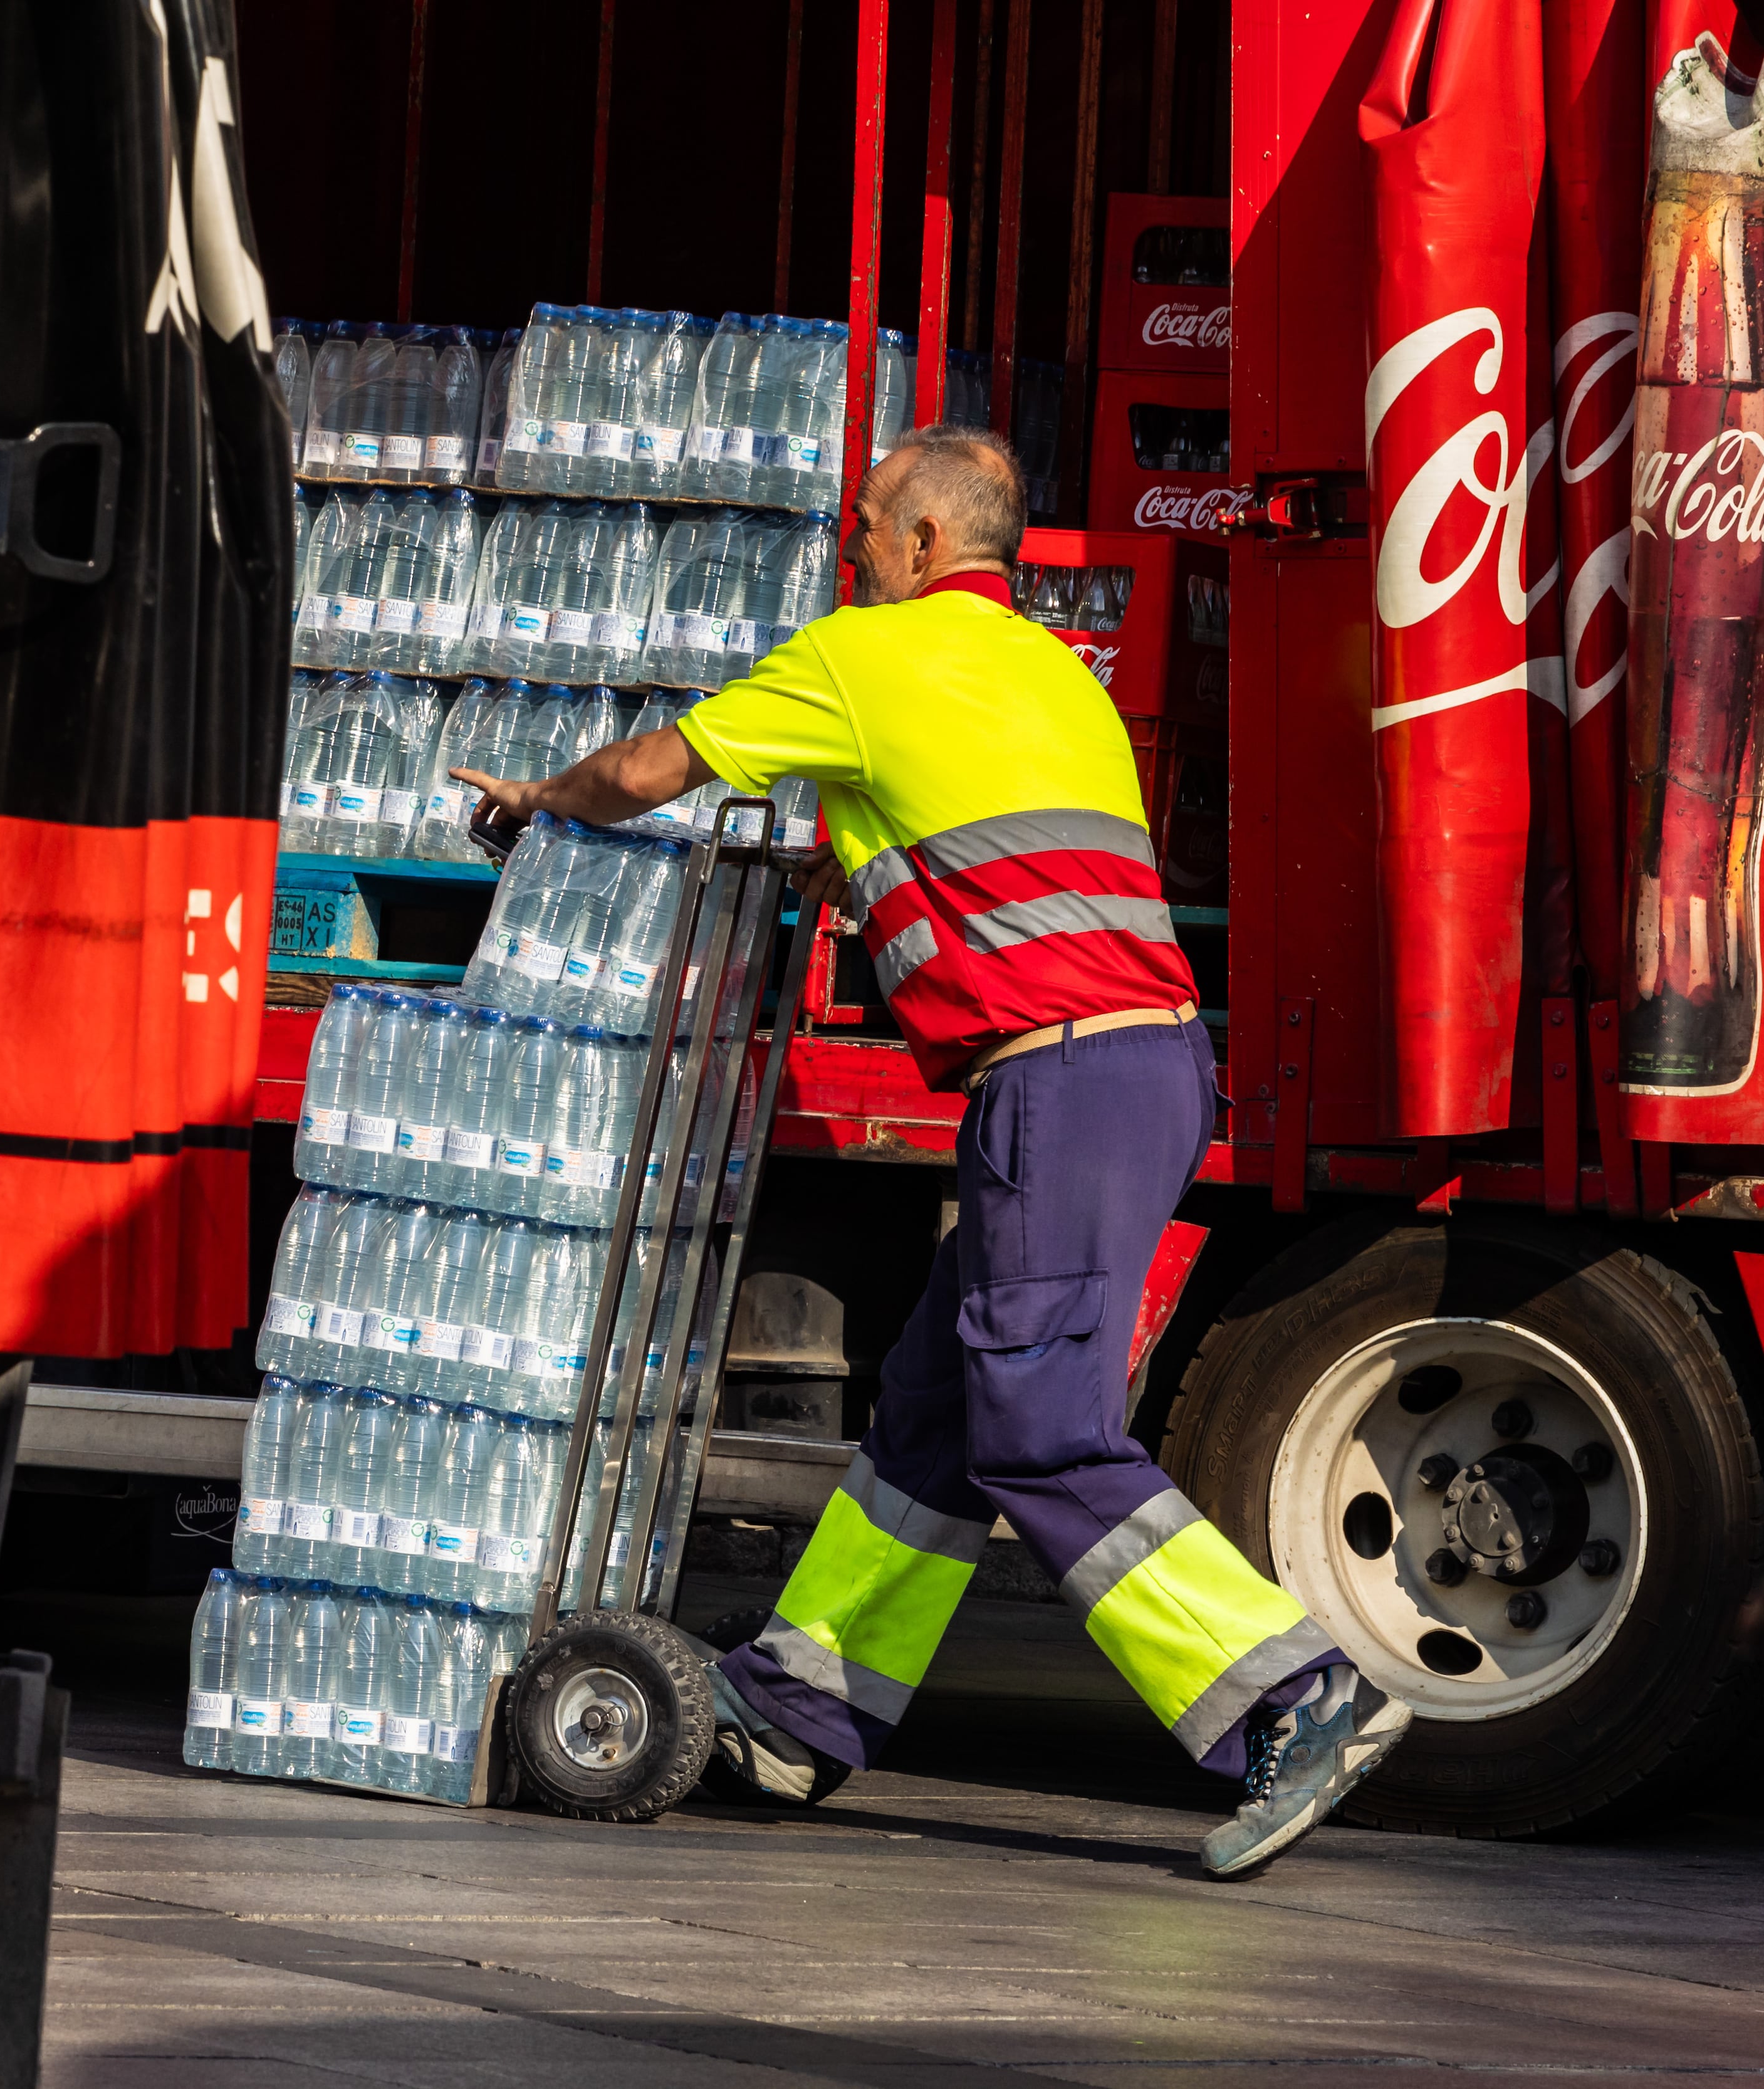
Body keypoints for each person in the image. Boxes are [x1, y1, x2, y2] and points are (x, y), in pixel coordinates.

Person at [450, 425, 1409, 1877]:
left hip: (1059, 1078)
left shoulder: (858, 657)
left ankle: (1293, 1688)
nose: (849, 545)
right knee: (934, 1411)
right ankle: (794, 1710)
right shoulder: (1048, 674)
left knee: (1037, 1426)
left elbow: (654, 766)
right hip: (1143, 1063)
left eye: (866, 524)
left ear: (917, 545)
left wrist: (535, 798)